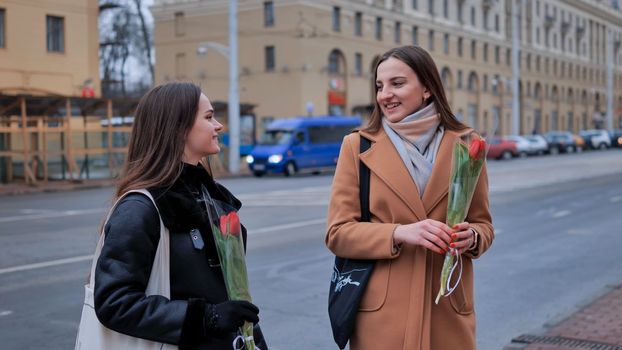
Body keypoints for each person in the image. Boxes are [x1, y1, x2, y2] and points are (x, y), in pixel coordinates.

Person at [326, 45, 494, 349]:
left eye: (397, 84)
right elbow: (338, 234)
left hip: (447, 310)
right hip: (383, 317)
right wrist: (400, 233)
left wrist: (471, 237)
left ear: (427, 88)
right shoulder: (358, 146)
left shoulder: (468, 145)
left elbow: (483, 225)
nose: (384, 95)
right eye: (379, 86)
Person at [94, 82, 267, 349]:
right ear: (178, 127)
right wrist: (207, 317)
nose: (219, 126)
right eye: (209, 117)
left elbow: (232, 294)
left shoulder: (209, 196)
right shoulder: (141, 207)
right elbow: (114, 302)